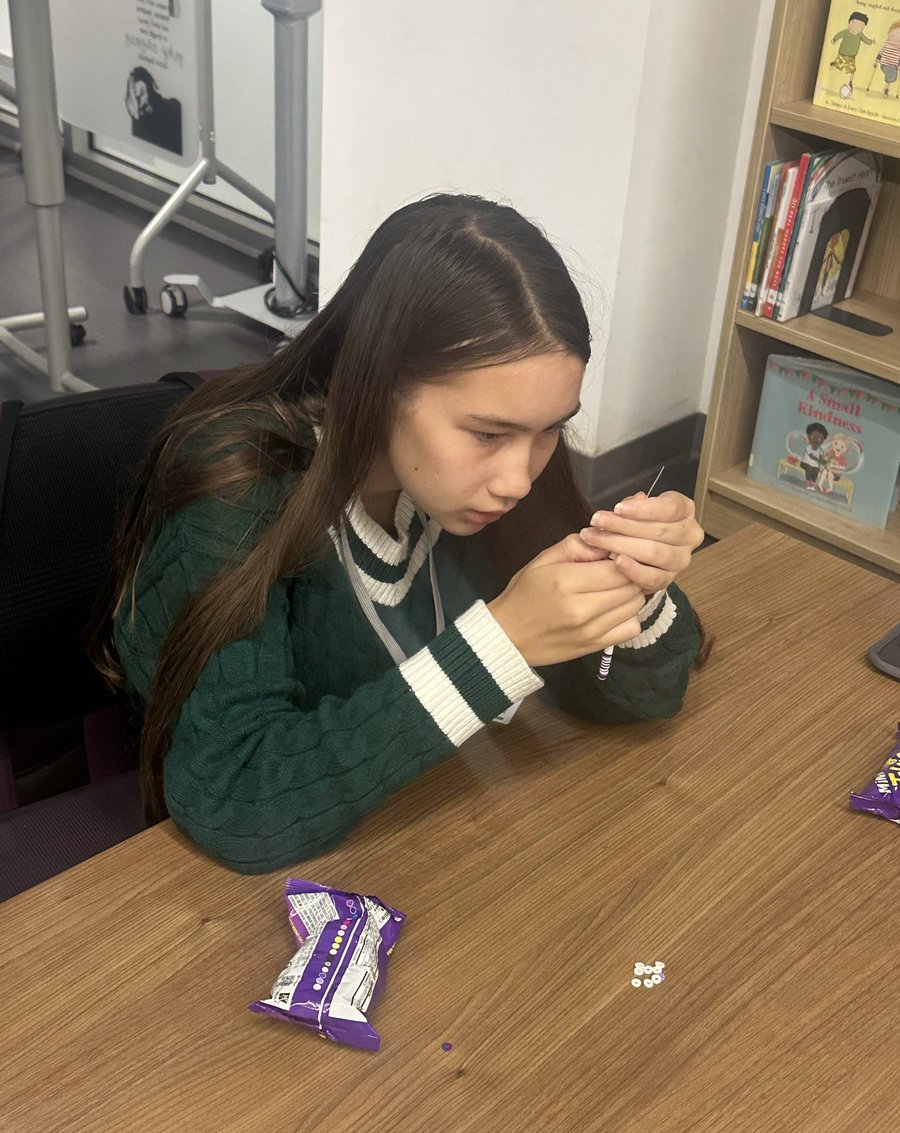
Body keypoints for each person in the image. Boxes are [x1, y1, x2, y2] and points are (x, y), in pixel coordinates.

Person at [92, 194, 708, 874]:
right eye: (486, 433)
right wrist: (503, 643)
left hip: (420, 828)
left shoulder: (486, 476)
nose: (520, 478)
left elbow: (640, 695)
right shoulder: (239, 487)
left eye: (552, 428)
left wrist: (638, 583)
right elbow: (238, 799)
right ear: (379, 385)